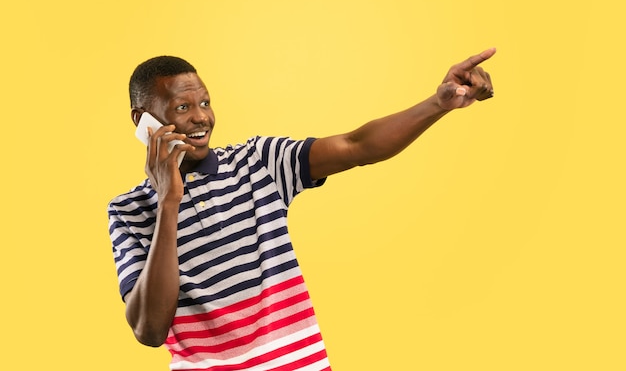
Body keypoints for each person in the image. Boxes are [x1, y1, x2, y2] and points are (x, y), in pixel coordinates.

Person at [107, 48, 496, 370]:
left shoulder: (258, 162)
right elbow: (149, 330)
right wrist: (169, 201)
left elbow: (357, 146)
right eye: (181, 107)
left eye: (205, 102)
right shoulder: (129, 212)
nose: (201, 117)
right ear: (143, 121)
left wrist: (437, 104)